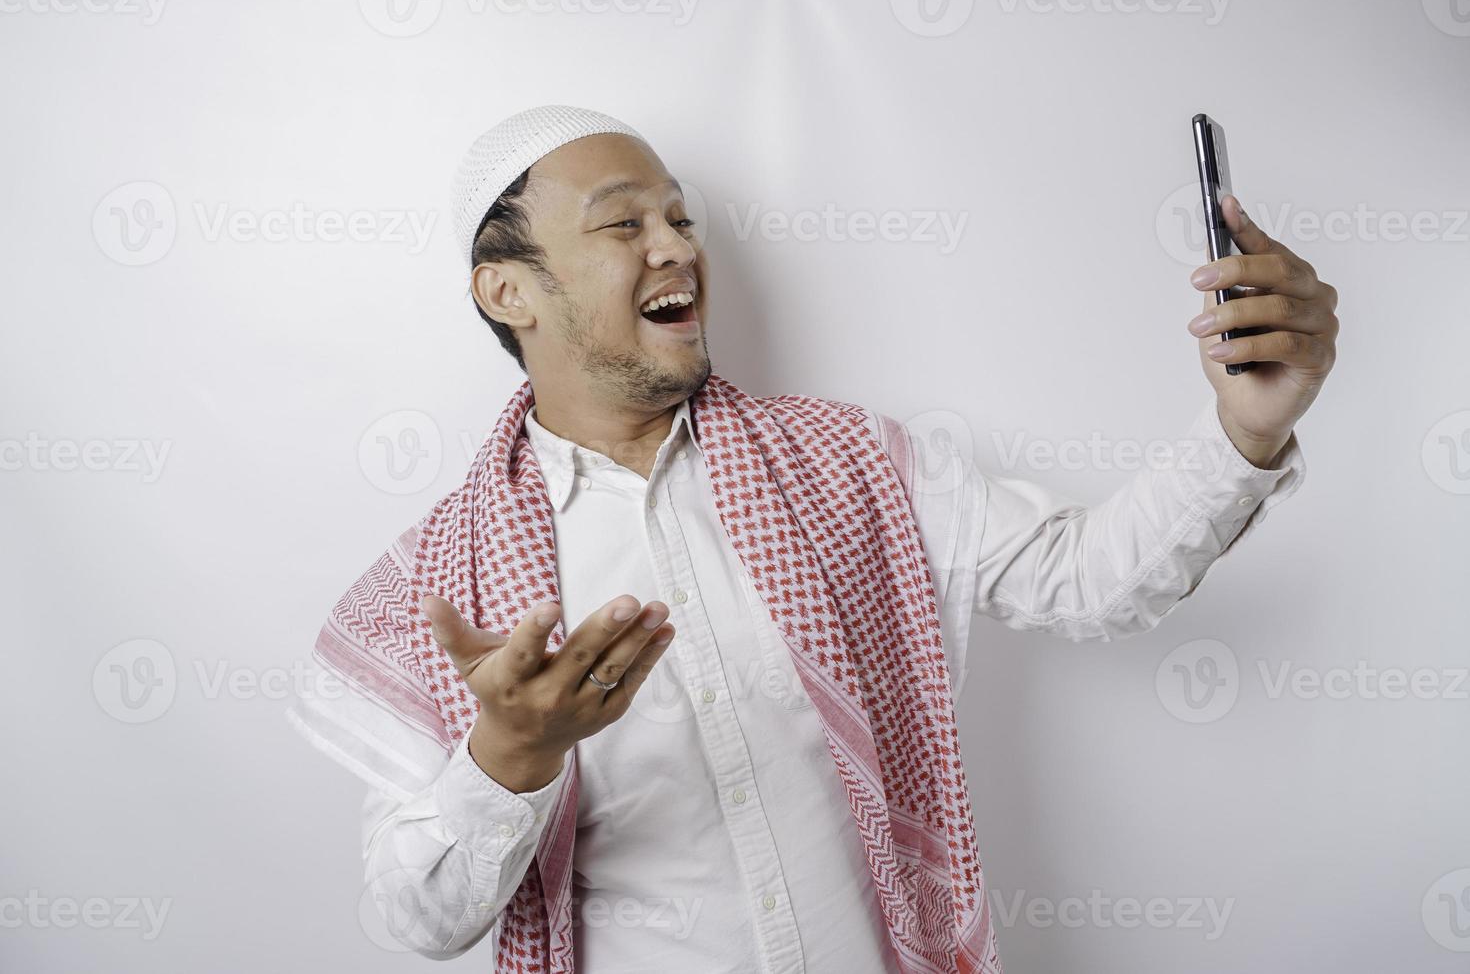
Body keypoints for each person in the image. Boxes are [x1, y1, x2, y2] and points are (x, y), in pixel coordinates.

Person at [286, 104, 1336, 974]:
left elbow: (1091, 579)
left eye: (681, 218)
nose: (677, 247)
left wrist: (1250, 424)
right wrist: (511, 752)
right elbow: (418, 919)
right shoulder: (442, 583)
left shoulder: (847, 464)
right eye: (623, 225)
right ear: (508, 288)